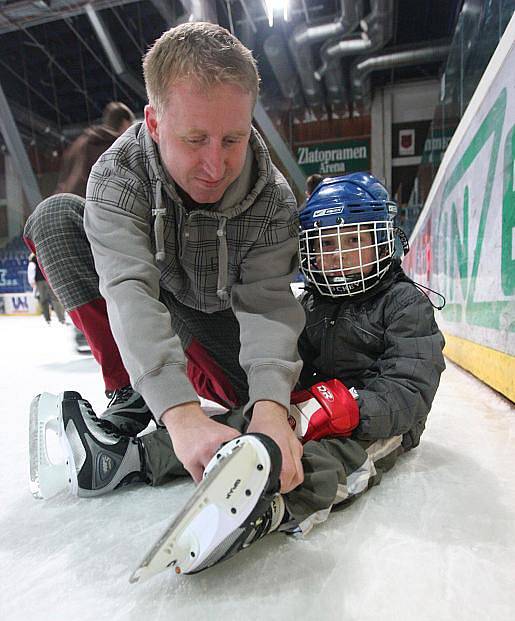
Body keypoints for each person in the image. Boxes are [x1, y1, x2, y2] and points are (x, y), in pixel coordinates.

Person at [39, 173, 445, 576]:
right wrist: (282, 404)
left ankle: (273, 507)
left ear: (384, 239)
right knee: (232, 424)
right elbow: (290, 356)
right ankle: (128, 458)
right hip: (312, 403)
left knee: (331, 460)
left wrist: (354, 407)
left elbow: (411, 384)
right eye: (326, 244)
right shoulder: (314, 303)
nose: (338, 255)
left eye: (354, 241)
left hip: (373, 426)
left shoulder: (405, 302)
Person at [25, 22, 306, 495]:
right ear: (154, 124)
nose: (215, 167)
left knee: (276, 399)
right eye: (195, 140)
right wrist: (179, 415)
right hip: (153, 311)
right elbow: (129, 289)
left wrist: (272, 411)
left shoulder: (274, 200)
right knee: (55, 218)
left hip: (222, 336)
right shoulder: (116, 175)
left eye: (232, 140)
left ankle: (204, 414)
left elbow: (268, 305)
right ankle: (131, 393)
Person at [55, 101, 135, 197]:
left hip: (71, 201)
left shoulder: (82, 141)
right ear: (125, 123)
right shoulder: (114, 147)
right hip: (95, 204)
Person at [27, 253, 65, 324]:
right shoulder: (45, 255)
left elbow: (31, 271)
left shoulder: (32, 261)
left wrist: (32, 282)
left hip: (40, 282)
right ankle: (61, 318)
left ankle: (47, 319)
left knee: (43, 300)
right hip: (48, 280)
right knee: (55, 299)